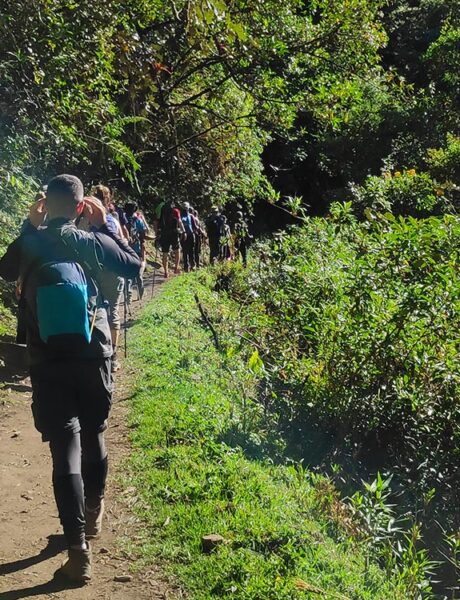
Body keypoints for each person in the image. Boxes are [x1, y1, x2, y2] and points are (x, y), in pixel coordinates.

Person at [0, 174, 141, 583]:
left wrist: (29, 224)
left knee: (65, 444)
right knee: (95, 431)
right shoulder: (91, 239)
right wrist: (102, 224)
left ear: (47, 203)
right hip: (93, 352)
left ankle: (78, 549)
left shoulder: (32, 240)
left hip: (47, 357)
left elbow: (5, 270)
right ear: (80, 206)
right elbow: (133, 266)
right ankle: (93, 514)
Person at [91, 186, 125, 372]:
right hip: (112, 271)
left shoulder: (82, 221)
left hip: (90, 272)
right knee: (112, 310)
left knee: (91, 309)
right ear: (108, 200)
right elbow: (122, 242)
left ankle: (93, 352)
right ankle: (112, 357)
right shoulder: (112, 220)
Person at [124, 202, 147, 299]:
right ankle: (140, 292)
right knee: (138, 271)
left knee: (127, 272)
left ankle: (128, 296)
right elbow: (143, 232)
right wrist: (142, 244)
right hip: (136, 248)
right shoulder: (137, 219)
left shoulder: (122, 219)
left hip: (125, 248)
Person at [159, 200, 183, 278]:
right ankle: (176, 268)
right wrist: (183, 231)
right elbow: (179, 221)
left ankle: (166, 272)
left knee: (165, 253)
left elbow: (157, 221)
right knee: (177, 250)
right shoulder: (176, 211)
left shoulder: (162, 211)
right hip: (174, 233)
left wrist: (157, 232)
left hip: (164, 233)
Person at [180, 202, 196, 272]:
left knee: (190, 250)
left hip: (190, 235)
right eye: (184, 208)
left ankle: (192, 264)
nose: (185, 209)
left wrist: (197, 231)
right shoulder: (180, 216)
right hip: (183, 235)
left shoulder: (191, 216)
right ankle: (186, 266)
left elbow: (194, 226)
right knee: (185, 251)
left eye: (186, 208)